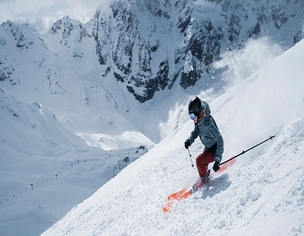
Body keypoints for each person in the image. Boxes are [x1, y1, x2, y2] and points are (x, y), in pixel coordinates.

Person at [184, 96, 224, 185]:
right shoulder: (199, 120)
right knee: (202, 162)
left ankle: (203, 180)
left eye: (193, 116)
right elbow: (196, 131)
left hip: (214, 149)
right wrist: (189, 140)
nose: (192, 118)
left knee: (199, 161)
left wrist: (217, 160)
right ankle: (204, 175)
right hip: (208, 146)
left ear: (199, 111)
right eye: (190, 116)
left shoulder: (208, 124)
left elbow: (220, 140)